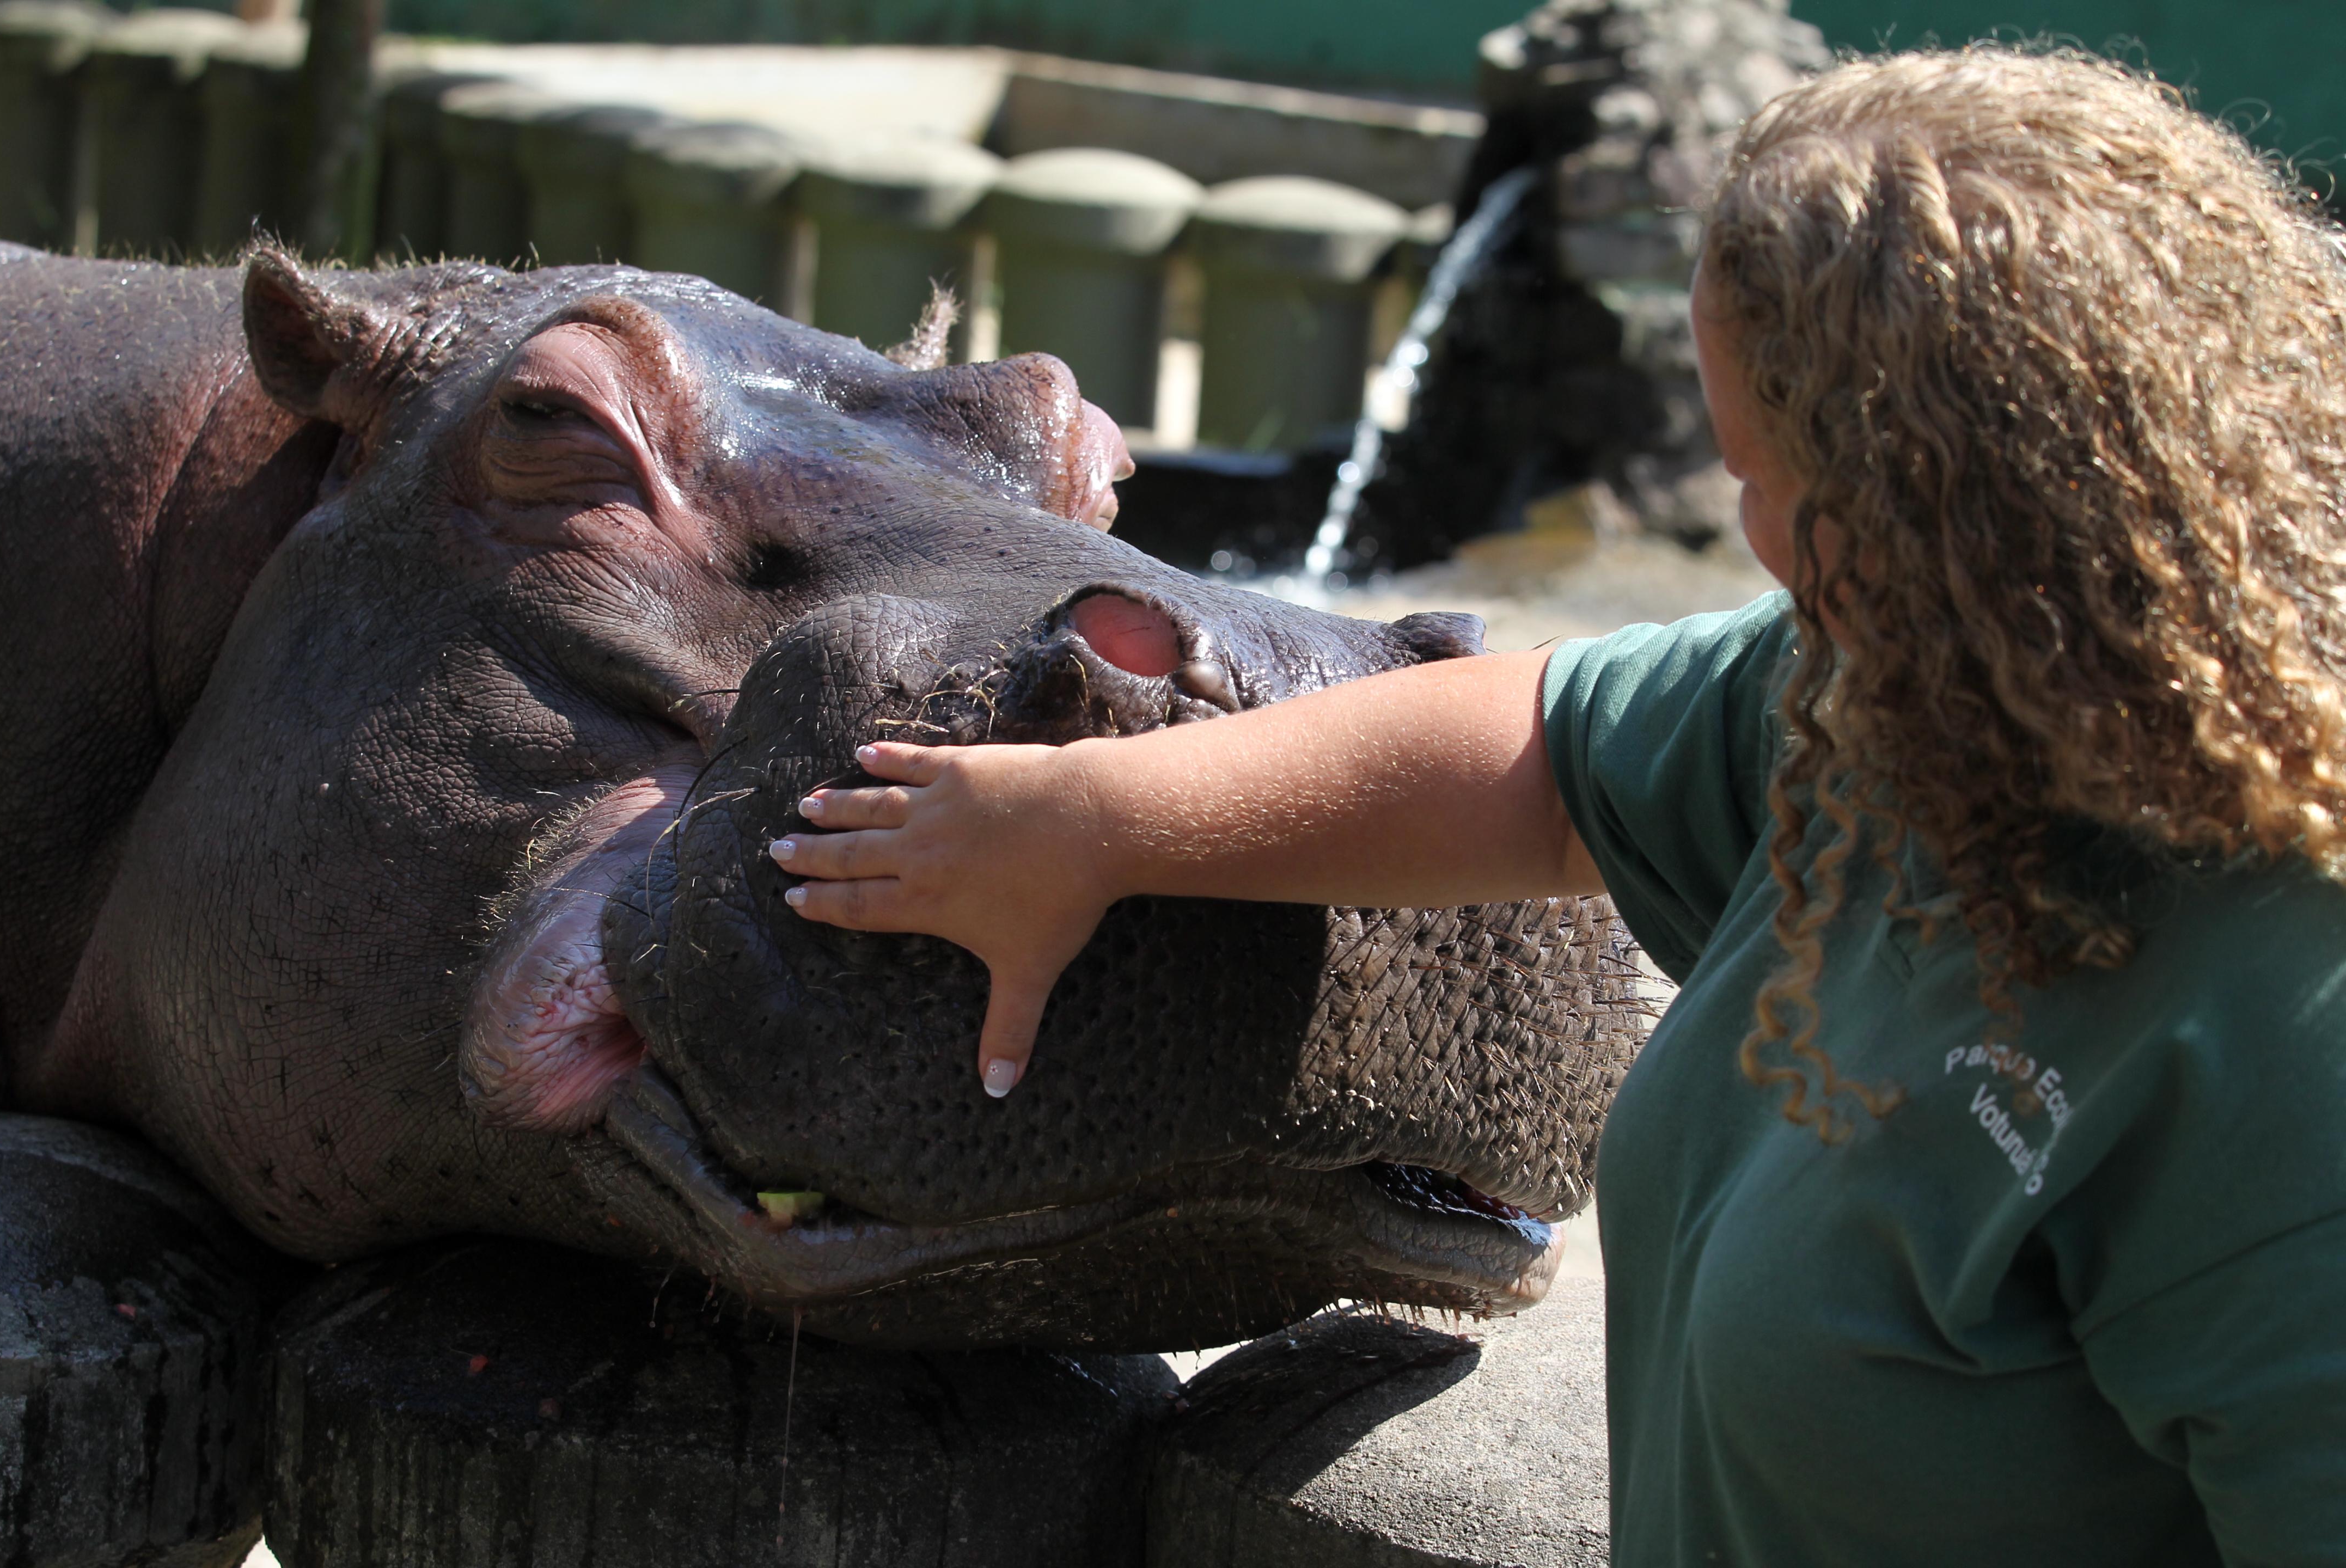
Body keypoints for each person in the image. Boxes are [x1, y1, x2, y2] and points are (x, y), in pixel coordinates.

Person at [772, 46, 2346, 1564]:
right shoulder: (1909, 693)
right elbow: (1547, 746)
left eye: (1757, 481)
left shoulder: (2281, 1041)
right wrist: (1098, 818)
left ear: (1924, 507)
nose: (1746, 539)